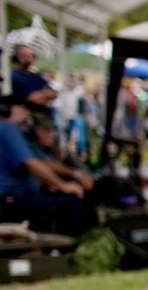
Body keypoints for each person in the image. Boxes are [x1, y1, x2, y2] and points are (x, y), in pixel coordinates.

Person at [0, 95, 87, 234]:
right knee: (72, 201)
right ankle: (65, 249)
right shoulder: (7, 128)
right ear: (6, 110)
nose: (26, 112)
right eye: (22, 108)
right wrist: (63, 186)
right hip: (10, 201)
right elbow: (31, 163)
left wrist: (52, 182)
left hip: (14, 198)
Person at [10, 44, 57, 115]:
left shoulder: (37, 76)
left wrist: (41, 95)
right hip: (24, 116)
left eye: (30, 55)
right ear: (16, 57)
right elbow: (31, 98)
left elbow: (53, 94)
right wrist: (43, 95)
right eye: (24, 55)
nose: (28, 58)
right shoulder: (12, 76)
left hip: (43, 114)